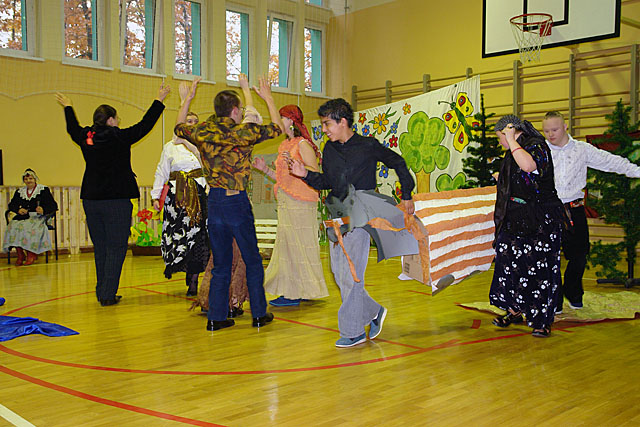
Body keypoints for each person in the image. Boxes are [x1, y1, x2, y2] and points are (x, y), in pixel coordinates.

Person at [288, 98, 415, 348]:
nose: (324, 129)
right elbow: (328, 182)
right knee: (340, 274)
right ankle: (373, 311)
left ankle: (353, 331)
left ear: (342, 122)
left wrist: (407, 195)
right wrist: (306, 175)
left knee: (352, 272)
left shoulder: (368, 146)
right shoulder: (329, 149)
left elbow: (398, 162)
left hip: (361, 213)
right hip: (337, 213)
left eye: (327, 124)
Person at [174, 77, 283, 332]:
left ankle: (216, 317)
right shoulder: (244, 132)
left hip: (214, 202)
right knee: (252, 259)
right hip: (237, 202)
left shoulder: (203, 131)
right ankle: (259, 314)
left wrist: (186, 100)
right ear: (235, 111)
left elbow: (179, 128)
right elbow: (278, 128)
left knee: (221, 264)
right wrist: (268, 98)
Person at [56, 83, 170, 306]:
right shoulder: (118, 136)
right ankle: (107, 294)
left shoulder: (87, 136)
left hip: (91, 199)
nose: (118, 122)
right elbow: (144, 125)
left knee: (101, 247)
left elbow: (72, 129)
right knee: (117, 247)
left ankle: (103, 290)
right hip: (116, 199)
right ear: (110, 120)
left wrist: (68, 107)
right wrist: (159, 100)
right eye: (117, 118)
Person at [542, 111, 640, 312]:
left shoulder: (582, 149)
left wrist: (636, 171)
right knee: (549, 259)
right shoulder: (540, 151)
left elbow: (611, 161)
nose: (550, 134)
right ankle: (554, 300)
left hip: (574, 209)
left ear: (565, 127)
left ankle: (573, 292)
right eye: (546, 131)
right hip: (548, 211)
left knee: (579, 256)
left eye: (555, 129)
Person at [489, 115, 564, 338]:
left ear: (509, 132)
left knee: (539, 270)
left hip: (540, 220)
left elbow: (529, 166)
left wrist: (511, 140)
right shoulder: (512, 151)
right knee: (509, 264)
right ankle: (514, 310)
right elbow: (518, 176)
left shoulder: (536, 146)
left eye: (501, 137)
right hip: (515, 217)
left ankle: (541, 321)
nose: (501, 142)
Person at [253, 104, 328, 307]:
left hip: (301, 201)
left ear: (292, 121)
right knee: (289, 246)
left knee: (297, 246)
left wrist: (297, 164)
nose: (278, 122)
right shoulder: (284, 145)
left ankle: (294, 292)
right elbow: (282, 178)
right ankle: (299, 289)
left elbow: (314, 172)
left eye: (282, 118)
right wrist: (264, 169)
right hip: (286, 199)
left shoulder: (302, 144)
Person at [151, 110, 209, 296]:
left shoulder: (204, 145)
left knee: (199, 238)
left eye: (195, 121)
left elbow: (210, 171)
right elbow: (161, 171)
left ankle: (194, 279)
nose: (192, 124)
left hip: (199, 195)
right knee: (181, 238)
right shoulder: (170, 147)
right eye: (188, 121)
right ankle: (186, 270)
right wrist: (155, 196)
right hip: (177, 197)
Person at [3, 169, 58, 265]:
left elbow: (53, 205)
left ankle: (31, 254)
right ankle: (20, 254)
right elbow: (12, 205)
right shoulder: (20, 192)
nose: (28, 181)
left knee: (29, 227)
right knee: (12, 226)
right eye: (26, 179)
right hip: (24, 217)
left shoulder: (43, 190)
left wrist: (43, 209)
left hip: (38, 217)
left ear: (35, 179)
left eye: (31, 178)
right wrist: (18, 210)